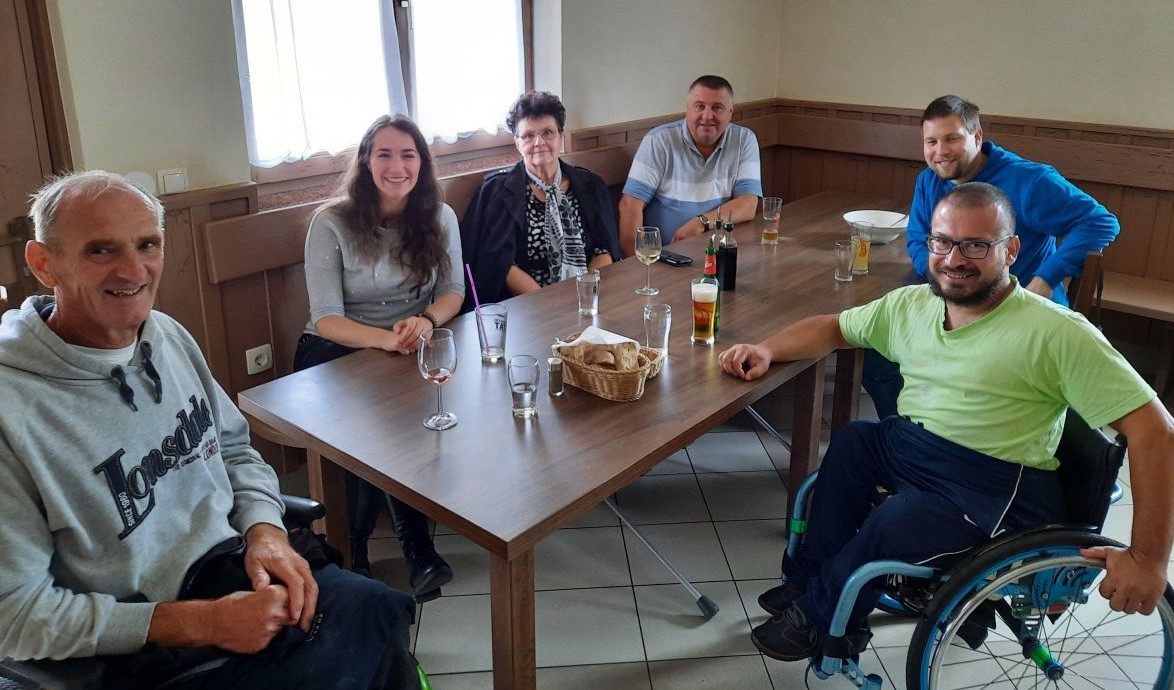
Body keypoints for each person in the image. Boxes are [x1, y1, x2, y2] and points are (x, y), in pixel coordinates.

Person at [719, 182, 1172, 662]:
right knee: (854, 441)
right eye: (943, 241)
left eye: (976, 245)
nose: (954, 259)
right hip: (917, 446)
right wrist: (765, 349)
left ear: (1011, 250)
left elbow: (1156, 429)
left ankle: (823, 620)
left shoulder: (1056, 332)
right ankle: (807, 581)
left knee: (893, 521)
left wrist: (1147, 559)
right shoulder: (912, 305)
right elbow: (833, 328)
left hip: (993, 480)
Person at [0, 170, 419, 689]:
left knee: (378, 611)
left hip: (236, 567)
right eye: (100, 250)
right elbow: (14, 617)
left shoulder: (167, 335)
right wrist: (203, 623)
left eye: (147, 244)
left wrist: (265, 532)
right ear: (44, 264)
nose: (133, 270)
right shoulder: (13, 408)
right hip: (140, 642)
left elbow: (234, 451)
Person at [864, 95, 1122, 419]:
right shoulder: (928, 181)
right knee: (879, 358)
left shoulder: (1030, 180)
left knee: (977, 381)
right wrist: (942, 277)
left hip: (1019, 306)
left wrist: (1045, 278)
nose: (940, 151)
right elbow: (917, 240)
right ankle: (911, 431)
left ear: (977, 137)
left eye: (952, 139)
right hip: (954, 302)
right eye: (931, 142)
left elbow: (1100, 222)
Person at [294, 114, 463, 601]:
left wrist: (426, 321)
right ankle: (401, 550)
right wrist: (386, 340)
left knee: (400, 414)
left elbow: (453, 292)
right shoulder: (331, 221)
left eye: (408, 155)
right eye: (384, 154)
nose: (397, 166)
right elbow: (326, 318)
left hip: (411, 342)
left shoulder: (440, 216)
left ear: (422, 163)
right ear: (366, 161)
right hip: (336, 348)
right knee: (376, 421)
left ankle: (365, 551)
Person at [462, 91, 619, 307]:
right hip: (527, 306)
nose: (539, 142)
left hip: (590, 297)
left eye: (547, 133)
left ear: (560, 137)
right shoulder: (497, 192)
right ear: (517, 143)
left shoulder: (591, 186)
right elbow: (501, 263)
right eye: (528, 135)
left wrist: (583, 295)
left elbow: (605, 249)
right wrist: (550, 304)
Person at [618, 75, 762, 255]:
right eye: (700, 106)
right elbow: (630, 205)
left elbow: (748, 204)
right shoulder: (659, 141)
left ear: (730, 112)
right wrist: (638, 262)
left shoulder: (743, 139)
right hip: (663, 256)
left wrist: (701, 222)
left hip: (718, 252)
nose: (707, 116)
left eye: (717, 108)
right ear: (687, 109)